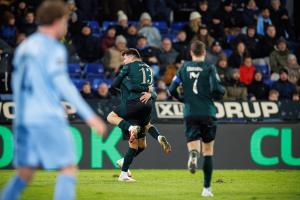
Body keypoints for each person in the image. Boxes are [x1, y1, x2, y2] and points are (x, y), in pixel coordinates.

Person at [0, 1, 106, 200]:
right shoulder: (53, 48)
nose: (66, 26)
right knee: (67, 168)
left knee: (25, 172)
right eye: (65, 21)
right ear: (57, 21)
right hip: (47, 117)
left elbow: (16, 84)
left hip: (23, 119)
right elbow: (63, 84)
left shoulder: (24, 47)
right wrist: (90, 116)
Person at [169, 41, 224, 197]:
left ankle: (193, 154)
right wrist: (220, 93)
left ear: (191, 53)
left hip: (190, 112)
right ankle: (206, 189)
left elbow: (171, 89)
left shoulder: (183, 68)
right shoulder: (210, 68)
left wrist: (182, 99)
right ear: (204, 52)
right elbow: (217, 89)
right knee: (208, 151)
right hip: (208, 112)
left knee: (195, 146)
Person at [106, 48, 171, 182]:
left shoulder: (127, 72)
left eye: (125, 58)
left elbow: (120, 86)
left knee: (111, 117)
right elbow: (153, 92)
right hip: (147, 105)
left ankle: (123, 174)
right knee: (143, 142)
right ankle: (158, 137)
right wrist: (150, 93)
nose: (124, 61)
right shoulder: (148, 69)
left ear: (131, 57)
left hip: (130, 106)